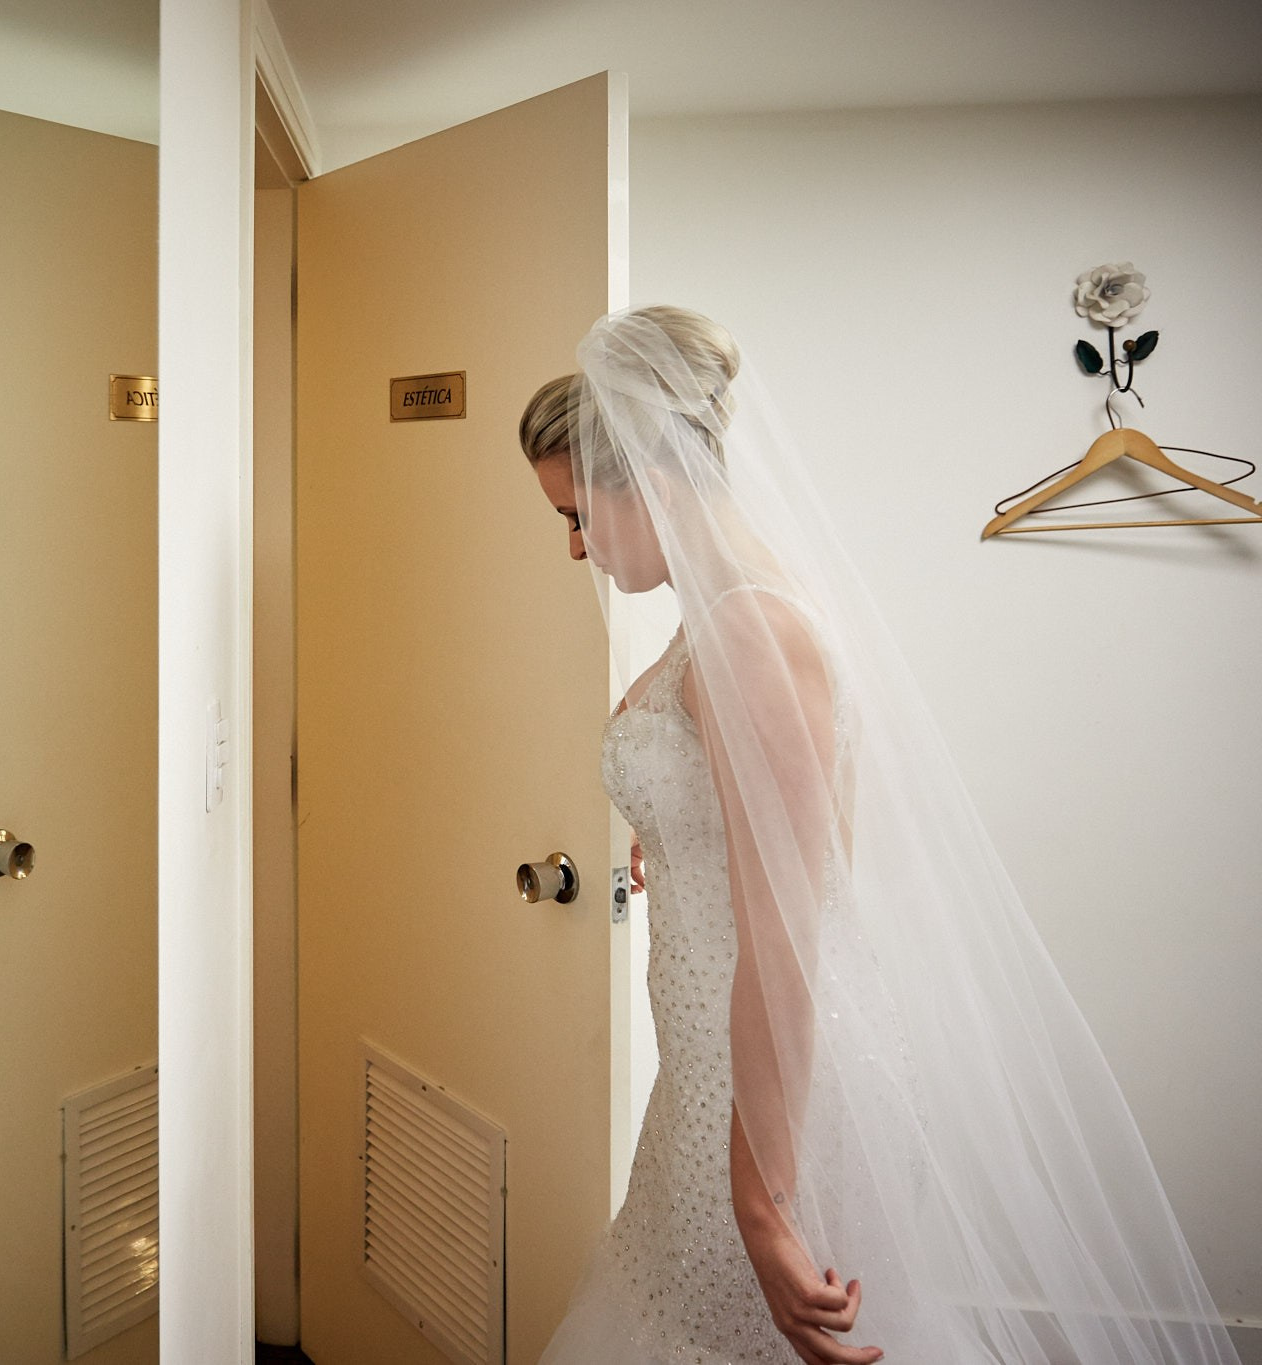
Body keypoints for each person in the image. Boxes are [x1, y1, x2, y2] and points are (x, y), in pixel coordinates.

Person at [522, 307, 1236, 1365]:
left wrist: (761, 1201)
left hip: (767, 1094)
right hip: (717, 1066)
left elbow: (785, 938)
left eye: (578, 512)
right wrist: (673, 842)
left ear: (650, 481)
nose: (576, 544)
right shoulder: (721, 610)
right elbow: (782, 837)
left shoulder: (749, 631)